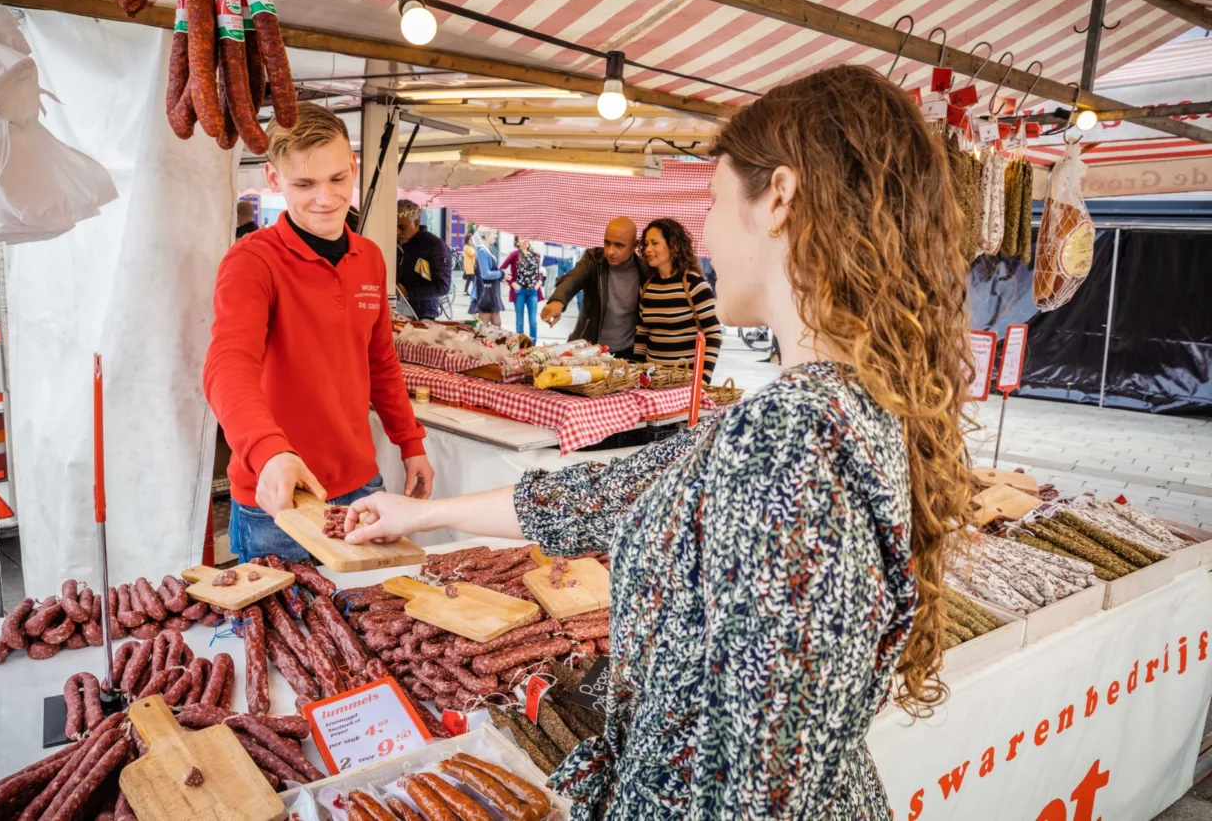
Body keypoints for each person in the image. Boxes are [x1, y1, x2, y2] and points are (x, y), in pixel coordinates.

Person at [339, 65, 973, 818]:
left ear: (779, 198)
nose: (703, 231)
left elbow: (761, 784)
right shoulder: (837, 406)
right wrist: (417, 515)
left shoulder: (786, 440)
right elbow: (606, 493)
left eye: (710, 200)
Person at [202, 103, 436, 563]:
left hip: (363, 487)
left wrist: (410, 443)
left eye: (336, 179)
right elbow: (226, 365)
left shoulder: (369, 256)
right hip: (281, 496)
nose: (326, 199)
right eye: (304, 184)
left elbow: (381, 361)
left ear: (353, 168)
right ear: (273, 179)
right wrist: (268, 452)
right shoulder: (252, 261)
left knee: (372, 626)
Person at [635, 218, 722, 383]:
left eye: (654, 243)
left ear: (673, 245)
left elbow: (713, 334)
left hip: (686, 384)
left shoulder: (695, 286)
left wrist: (703, 379)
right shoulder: (647, 288)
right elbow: (642, 334)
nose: (648, 249)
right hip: (652, 383)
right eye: (646, 244)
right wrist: (639, 373)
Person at [541, 217, 644, 357]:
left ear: (635, 245)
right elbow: (574, 278)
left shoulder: (644, 269)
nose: (610, 251)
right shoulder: (594, 258)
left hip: (626, 352)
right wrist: (558, 301)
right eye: (607, 243)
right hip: (587, 349)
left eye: (619, 245)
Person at [395, 199, 452, 320]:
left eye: (402, 227)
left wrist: (408, 293)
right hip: (394, 311)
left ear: (416, 223)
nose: (397, 232)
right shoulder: (393, 243)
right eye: (393, 226)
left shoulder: (435, 245)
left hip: (423, 314)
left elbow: (443, 286)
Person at [500, 237, 543, 341]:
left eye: (527, 237)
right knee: (520, 322)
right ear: (517, 243)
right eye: (522, 238)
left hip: (533, 292)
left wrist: (539, 281)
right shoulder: (514, 255)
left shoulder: (536, 255)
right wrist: (511, 283)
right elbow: (501, 269)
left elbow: (537, 272)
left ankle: (533, 346)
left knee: (533, 321)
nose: (526, 240)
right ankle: (521, 346)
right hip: (520, 292)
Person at [472, 234, 504, 327]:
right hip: (486, 291)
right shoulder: (482, 251)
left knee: (496, 323)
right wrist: (501, 273)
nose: (495, 236)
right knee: (484, 325)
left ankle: (493, 341)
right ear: (486, 235)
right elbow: (485, 274)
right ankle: (481, 341)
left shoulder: (488, 250)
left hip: (491, 291)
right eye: (493, 233)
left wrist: (501, 275)